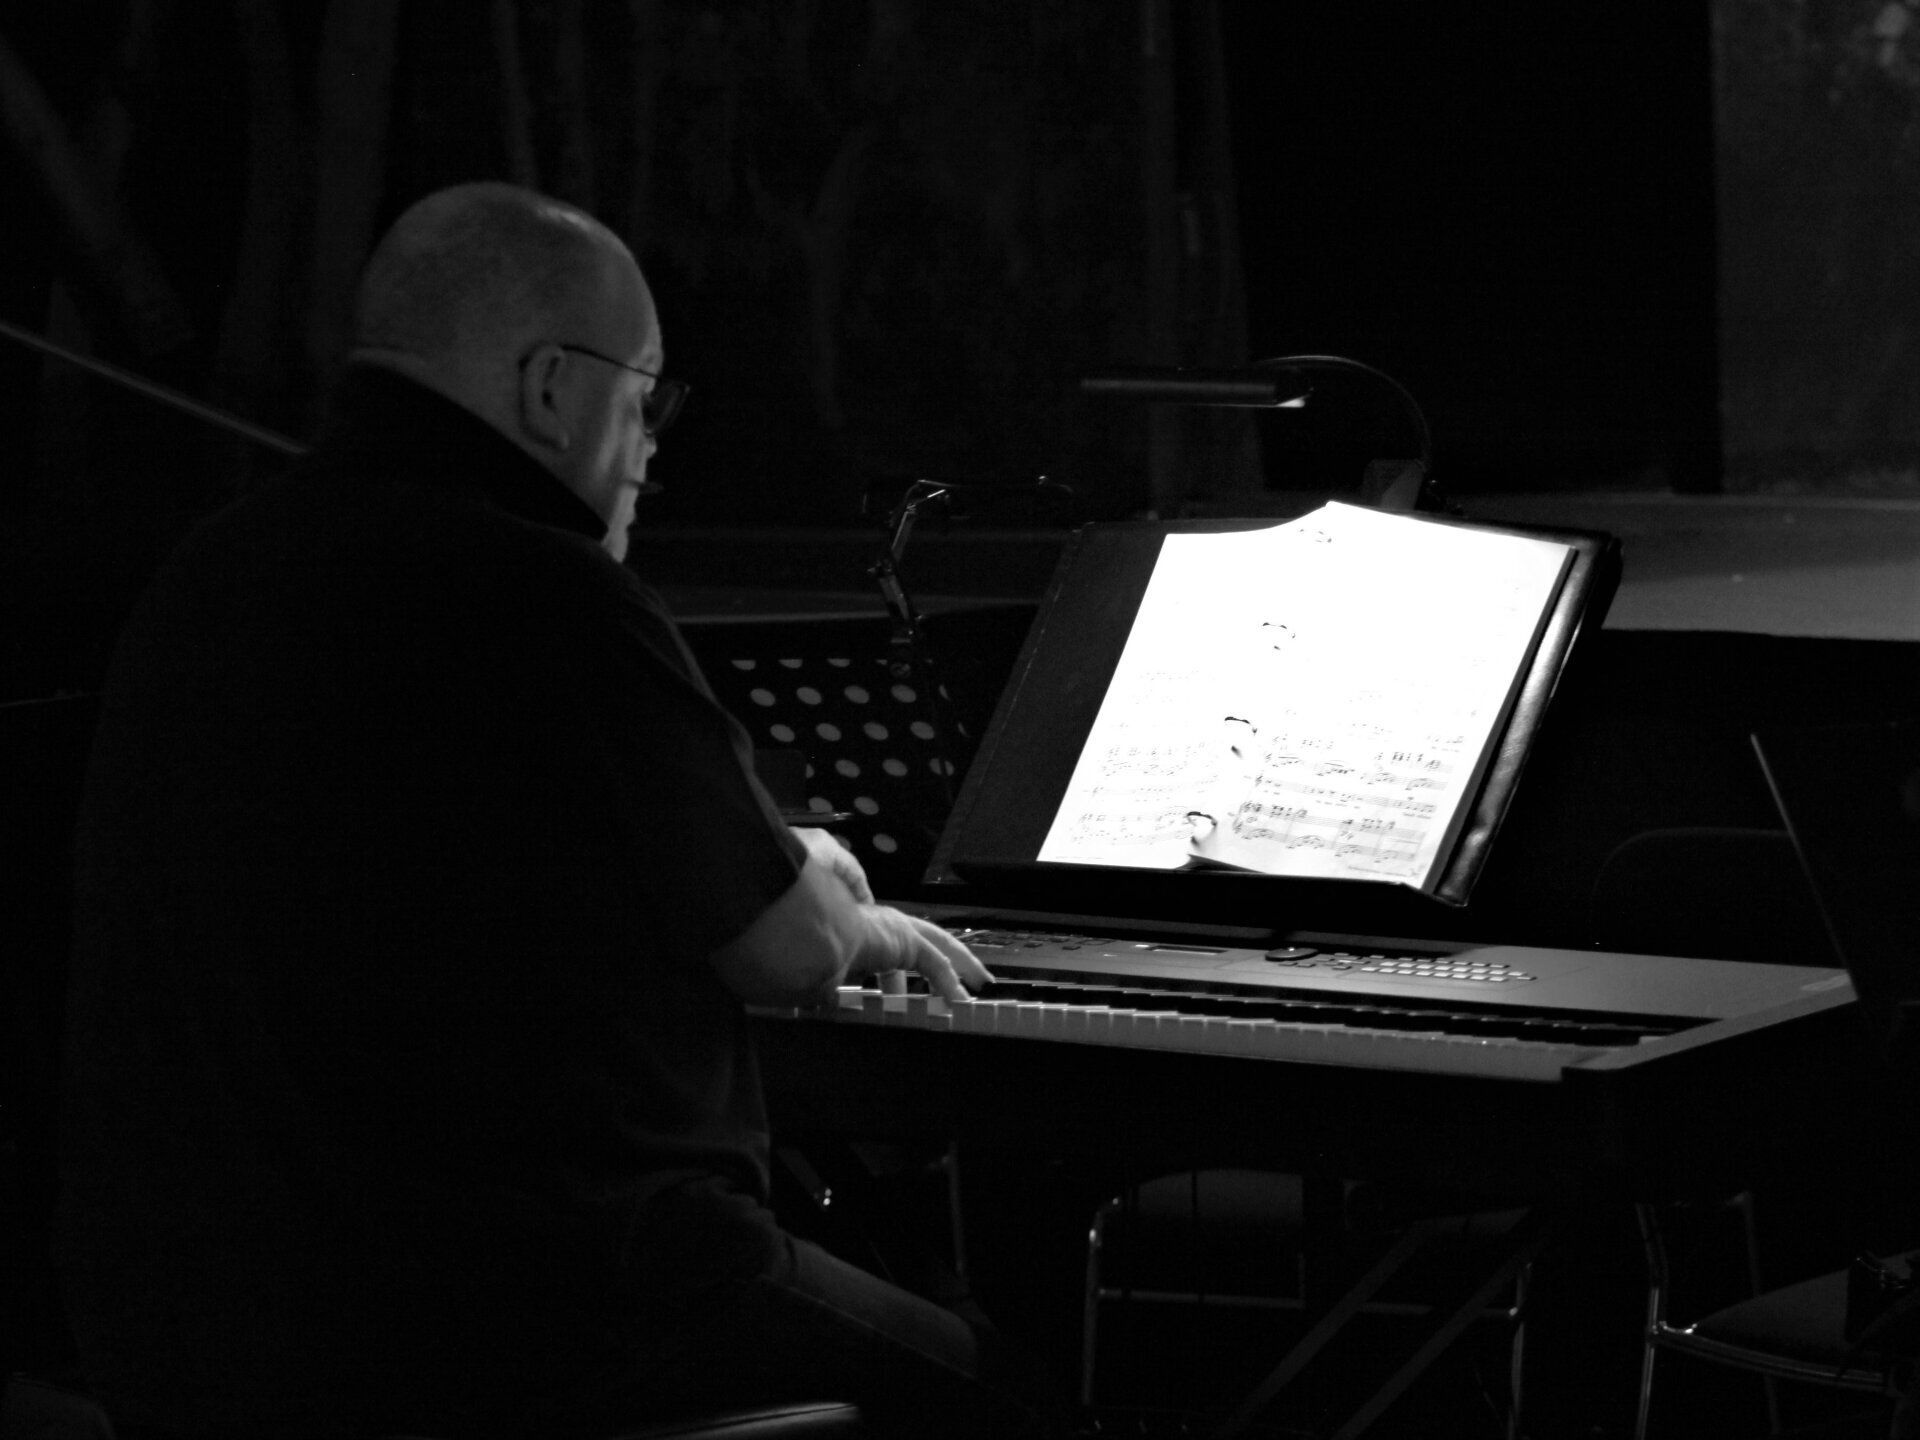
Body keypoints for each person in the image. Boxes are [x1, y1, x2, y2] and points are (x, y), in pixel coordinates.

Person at [57, 183, 1044, 1439]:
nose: (648, 452)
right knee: (1002, 1397)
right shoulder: (545, 587)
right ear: (549, 389)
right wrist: (859, 912)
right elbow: (785, 948)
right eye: (644, 401)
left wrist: (768, 860)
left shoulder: (210, 572)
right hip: (528, 1316)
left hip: (199, 1321)